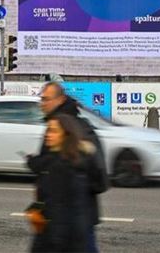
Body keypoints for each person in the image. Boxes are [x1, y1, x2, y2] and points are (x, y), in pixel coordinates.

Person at [38, 82, 108, 252]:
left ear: (60, 99)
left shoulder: (75, 128)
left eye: (46, 99)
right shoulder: (55, 125)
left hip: (76, 221)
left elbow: (98, 176)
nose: (42, 104)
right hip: (56, 217)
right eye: (41, 99)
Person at [26, 114, 94, 252]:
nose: (48, 135)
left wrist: (55, 242)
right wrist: (34, 209)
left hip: (59, 239)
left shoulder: (62, 166)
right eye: (48, 130)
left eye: (54, 131)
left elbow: (61, 208)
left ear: (66, 135)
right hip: (62, 235)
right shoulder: (63, 160)